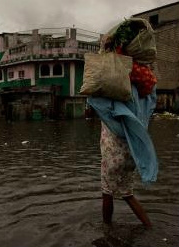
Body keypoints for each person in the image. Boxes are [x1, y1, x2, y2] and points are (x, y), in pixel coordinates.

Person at [88, 18, 158, 228]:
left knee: (107, 193)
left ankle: (106, 230)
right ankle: (149, 227)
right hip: (133, 151)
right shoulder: (142, 89)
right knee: (127, 194)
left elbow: (96, 98)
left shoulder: (115, 88)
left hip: (114, 149)